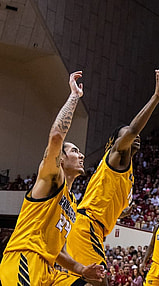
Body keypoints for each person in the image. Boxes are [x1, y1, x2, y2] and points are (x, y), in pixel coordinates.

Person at [0, 72, 104, 284]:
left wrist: (82, 269)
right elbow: (57, 136)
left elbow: (58, 252)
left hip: (49, 269)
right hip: (24, 259)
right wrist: (74, 96)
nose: (81, 155)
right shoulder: (52, 179)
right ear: (61, 160)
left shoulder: (72, 204)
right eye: (74, 151)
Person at [65, 70, 159, 282]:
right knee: (101, 280)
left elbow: (105, 198)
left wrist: (120, 212)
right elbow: (131, 131)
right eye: (128, 134)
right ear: (116, 142)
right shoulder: (116, 155)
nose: (134, 136)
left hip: (93, 228)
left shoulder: (125, 169)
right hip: (87, 226)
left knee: (87, 281)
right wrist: (155, 98)